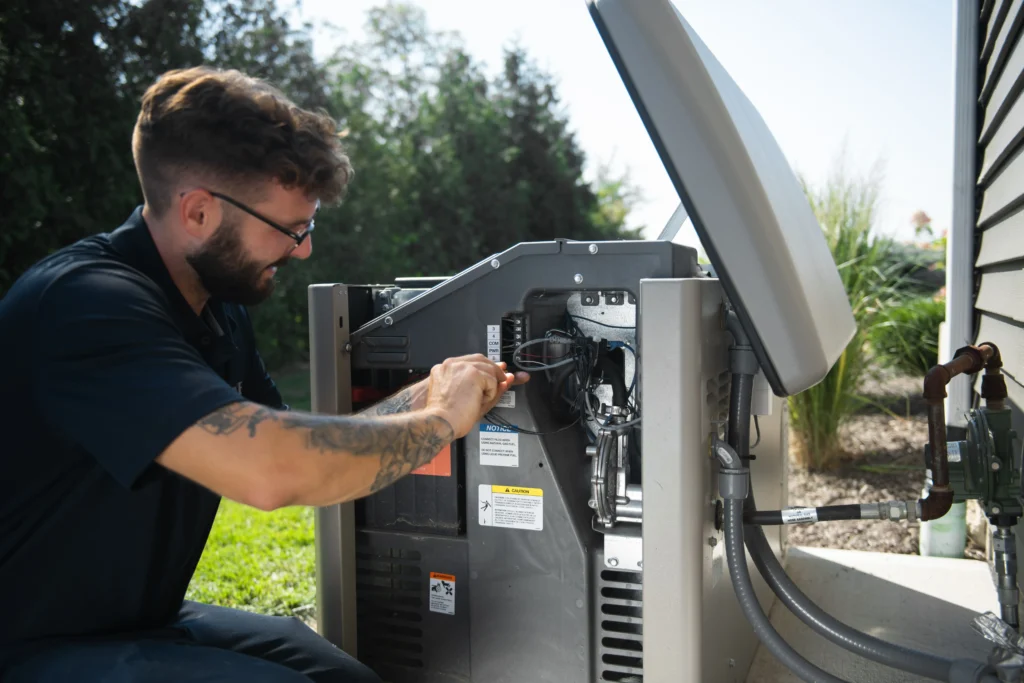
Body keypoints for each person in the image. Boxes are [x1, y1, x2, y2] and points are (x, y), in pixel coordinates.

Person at [0, 66, 528, 682]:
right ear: (197, 212)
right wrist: (441, 420)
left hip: (126, 623)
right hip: (25, 642)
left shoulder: (213, 307)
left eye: (309, 226)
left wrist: (427, 390)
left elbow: (302, 438)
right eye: (287, 229)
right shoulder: (86, 305)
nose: (302, 249)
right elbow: (271, 470)